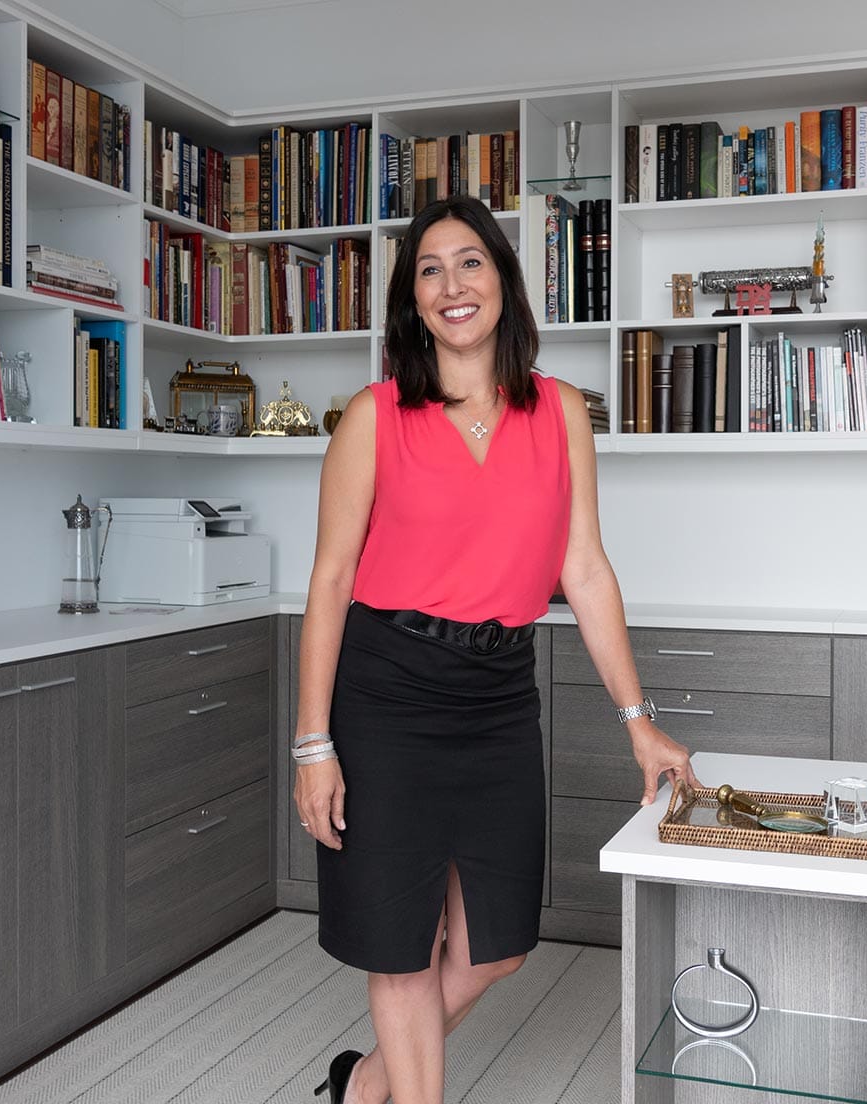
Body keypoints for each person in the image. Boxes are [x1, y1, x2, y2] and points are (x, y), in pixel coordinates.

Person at [292, 195, 698, 1104]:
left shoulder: (559, 414)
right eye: (430, 270)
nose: (452, 284)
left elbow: (585, 570)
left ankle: (362, 1085)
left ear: (504, 283)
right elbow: (328, 581)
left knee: (498, 946)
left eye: (469, 262)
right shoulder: (376, 415)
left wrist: (640, 722)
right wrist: (312, 744)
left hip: (498, 695)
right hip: (387, 691)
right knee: (400, 948)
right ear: (414, 300)